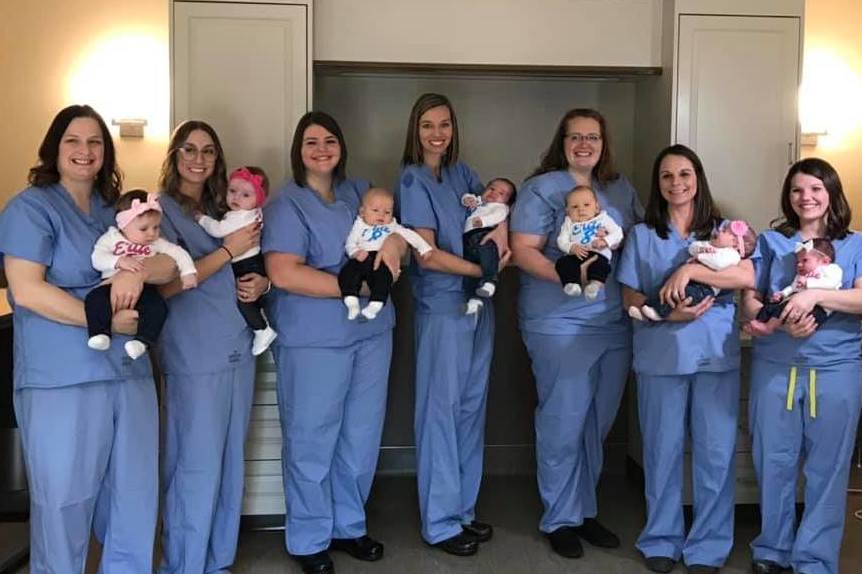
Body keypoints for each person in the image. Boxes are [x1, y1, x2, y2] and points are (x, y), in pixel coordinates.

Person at [0, 104, 169, 572]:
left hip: (129, 374)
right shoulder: (30, 209)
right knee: (64, 507)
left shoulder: (116, 213)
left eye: (95, 141)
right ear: (54, 147)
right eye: (73, 140)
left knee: (135, 502)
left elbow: (167, 260)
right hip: (62, 379)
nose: (84, 150)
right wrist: (107, 322)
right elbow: (29, 291)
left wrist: (141, 270)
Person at [263, 111, 406, 574]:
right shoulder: (288, 204)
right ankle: (308, 537)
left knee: (360, 435)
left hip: (371, 334)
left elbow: (394, 232)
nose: (321, 149)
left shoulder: (358, 192)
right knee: (311, 438)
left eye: (329, 140)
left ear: (341, 146)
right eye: (311, 142)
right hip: (313, 340)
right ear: (298, 150)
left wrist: (392, 248)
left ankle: (349, 525)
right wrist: (360, 288)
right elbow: (284, 272)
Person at [510, 108, 642, 559]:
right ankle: (559, 516)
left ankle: (585, 510)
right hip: (558, 322)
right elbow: (523, 251)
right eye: (575, 137)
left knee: (596, 423)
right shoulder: (541, 189)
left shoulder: (620, 189)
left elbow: (638, 241)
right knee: (563, 419)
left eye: (593, 137)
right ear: (561, 142)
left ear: (604, 144)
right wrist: (573, 273)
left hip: (612, 324)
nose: (584, 144)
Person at [616, 144, 755, 574]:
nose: (676, 183)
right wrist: (670, 312)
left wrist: (690, 271)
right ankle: (661, 538)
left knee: (715, 454)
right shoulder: (643, 234)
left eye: (685, 174)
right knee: (662, 451)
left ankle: (709, 546)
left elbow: (746, 275)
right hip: (660, 356)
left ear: (698, 179)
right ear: (657, 185)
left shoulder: (725, 232)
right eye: (667, 177)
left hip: (714, 358)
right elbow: (629, 296)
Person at [396, 93, 507, 557]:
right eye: (427, 125)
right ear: (414, 130)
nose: (436, 134)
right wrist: (482, 270)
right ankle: (440, 522)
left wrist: (497, 248)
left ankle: (462, 509)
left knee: (469, 409)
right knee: (440, 412)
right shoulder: (411, 180)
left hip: (479, 308)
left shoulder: (464, 175)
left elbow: (490, 221)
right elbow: (427, 253)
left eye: (444, 124)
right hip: (442, 308)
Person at [740, 158, 862, 574]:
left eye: (815, 188)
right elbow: (752, 300)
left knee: (828, 468)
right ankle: (772, 550)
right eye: (796, 190)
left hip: (836, 371)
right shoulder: (772, 243)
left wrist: (814, 298)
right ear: (788, 197)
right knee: (773, 461)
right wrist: (781, 323)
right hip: (776, 367)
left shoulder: (856, 245)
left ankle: (813, 559)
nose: (805, 197)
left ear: (831, 193)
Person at [156, 120, 267, 574]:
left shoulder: (230, 207)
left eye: (207, 151)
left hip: (236, 345)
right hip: (192, 352)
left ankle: (218, 561)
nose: (198, 159)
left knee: (229, 461)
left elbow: (251, 265)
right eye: (188, 150)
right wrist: (226, 252)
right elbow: (162, 287)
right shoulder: (158, 210)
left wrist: (261, 283)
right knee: (194, 463)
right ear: (174, 157)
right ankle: (184, 564)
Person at [87, 189, 197, 359]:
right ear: (124, 225)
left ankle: (142, 341)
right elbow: (97, 258)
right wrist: (117, 261)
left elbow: (178, 253)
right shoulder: (111, 238)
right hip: (110, 285)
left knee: (158, 307)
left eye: (156, 227)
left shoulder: (156, 243)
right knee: (94, 299)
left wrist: (188, 272)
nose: (152, 233)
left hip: (145, 288)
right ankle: (100, 333)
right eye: (144, 228)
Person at [197, 165, 278, 355]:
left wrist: (201, 218)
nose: (236, 198)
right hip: (254, 261)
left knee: (244, 300)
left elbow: (217, 229)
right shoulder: (254, 213)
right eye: (232, 191)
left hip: (245, 264)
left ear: (258, 199)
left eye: (245, 195)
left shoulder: (240, 216)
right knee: (250, 299)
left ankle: (262, 330)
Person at [629, 219, 757, 321]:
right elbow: (693, 247)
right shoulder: (712, 246)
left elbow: (741, 276)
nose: (720, 230)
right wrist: (701, 249)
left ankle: (657, 314)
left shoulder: (731, 255)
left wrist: (690, 269)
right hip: (658, 344)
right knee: (667, 292)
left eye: (725, 231)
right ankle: (649, 308)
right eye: (723, 228)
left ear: (735, 243)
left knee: (682, 295)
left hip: (703, 289)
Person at [339, 186, 432, 320]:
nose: (381, 215)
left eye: (387, 212)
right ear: (362, 211)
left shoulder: (392, 226)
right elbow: (350, 242)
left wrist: (424, 248)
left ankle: (375, 304)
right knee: (348, 272)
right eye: (375, 210)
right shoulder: (359, 225)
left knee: (384, 278)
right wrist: (355, 252)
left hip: (382, 258)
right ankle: (351, 301)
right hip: (362, 256)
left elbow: (409, 235)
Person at [747, 237, 841, 335]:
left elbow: (831, 283)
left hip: (818, 308)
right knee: (771, 306)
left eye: (805, 260)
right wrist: (782, 294)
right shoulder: (801, 276)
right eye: (798, 262)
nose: (799, 265)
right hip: (794, 302)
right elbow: (792, 288)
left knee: (783, 309)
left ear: (825, 261)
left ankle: (768, 327)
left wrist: (808, 283)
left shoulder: (831, 269)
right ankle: (759, 321)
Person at [555, 184, 624, 300]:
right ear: (567, 211)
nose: (581, 209)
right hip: (577, 254)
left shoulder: (602, 219)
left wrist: (605, 241)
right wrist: (571, 247)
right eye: (574, 207)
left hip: (598, 253)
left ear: (596, 207)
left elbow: (618, 233)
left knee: (602, 267)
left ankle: (594, 286)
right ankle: (572, 284)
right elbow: (561, 240)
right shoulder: (569, 223)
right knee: (562, 263)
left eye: (586, 205)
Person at [460, 177, 515, 314]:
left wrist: (483, 221)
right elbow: (467, 198)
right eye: (491, 188)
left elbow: (498, 217)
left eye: (501, 193)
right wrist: (467, 199)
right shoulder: (480, 203)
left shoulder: (501, 208)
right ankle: (474, 301)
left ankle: (491, 281)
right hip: (468, 239)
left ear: (507, 201)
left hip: (484, 233)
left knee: (488, 251)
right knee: (467, 274)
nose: (494, 193)